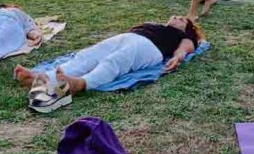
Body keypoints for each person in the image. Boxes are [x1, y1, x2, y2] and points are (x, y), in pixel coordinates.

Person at [14, 15, 203, 106]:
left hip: (150, 49)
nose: (176, 17)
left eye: (181, 19)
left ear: (185, 28)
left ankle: (81, 83)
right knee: (88, 55)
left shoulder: (181, 36)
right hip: (128, 37)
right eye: (175, 16)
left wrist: (177, 58)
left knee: (115, 61)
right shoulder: (155, 25)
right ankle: (45, 77)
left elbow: (185, 48)